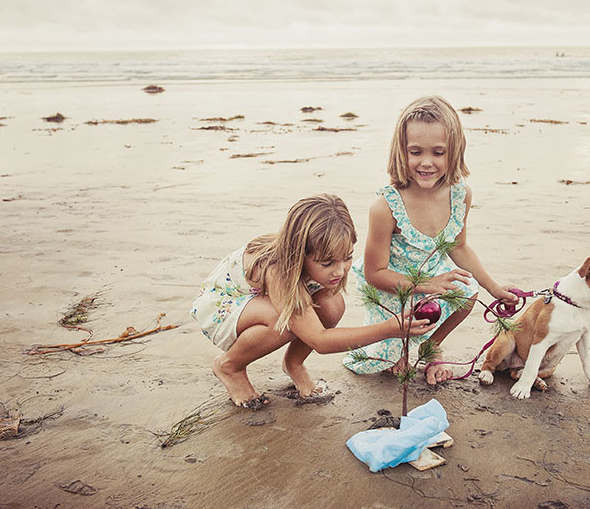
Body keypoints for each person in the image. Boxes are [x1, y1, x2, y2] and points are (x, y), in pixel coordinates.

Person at [192, 193, 435, 408]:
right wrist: (389, 329)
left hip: (263, 301)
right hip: (225, 306)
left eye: (347, 258)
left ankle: (294, 364)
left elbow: (323, 315)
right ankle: (230, 366)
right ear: (299, 254)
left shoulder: (329, 261)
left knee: (332, 305)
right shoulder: (279, 270)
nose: (340, 271)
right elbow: (320, 340)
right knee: (282, 318)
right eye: (327, 263)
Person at [342, 95, 518, 384]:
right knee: (385, 359)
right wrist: (426, 286)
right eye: (415, 152)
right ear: (401, 151)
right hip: (393, 288)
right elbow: (375, 274)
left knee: (466, 289)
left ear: (455, 151)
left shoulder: (460, 194)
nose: (426, 162)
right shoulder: (386, 206)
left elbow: (459, 247)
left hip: (432, 279)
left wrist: (494, 288)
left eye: (438, 152)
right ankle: (400, 349)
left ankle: (430, 347)